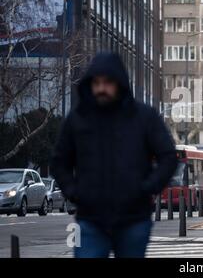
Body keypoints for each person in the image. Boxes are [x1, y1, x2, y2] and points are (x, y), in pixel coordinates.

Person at [50, 53, 177, 258]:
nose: (101, 88)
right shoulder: (77, 119)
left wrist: (146, 188)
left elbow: (169, 157)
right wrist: (74, 192)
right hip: (90, 218)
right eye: (97, 82)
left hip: (134, 218)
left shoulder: (144, 117)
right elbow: (59, 162)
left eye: (108, 82)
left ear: (119, 83)